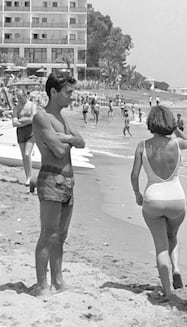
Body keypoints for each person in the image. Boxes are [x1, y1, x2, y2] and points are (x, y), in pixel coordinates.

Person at [32, 74, 85, 297]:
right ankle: (43, 285)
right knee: (48, 234)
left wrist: (68, 137)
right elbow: (59, 151)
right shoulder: (42, 117)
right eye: (68, 92)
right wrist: (67, 140)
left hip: (67, 182)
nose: (72, 97)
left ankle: (58, 280)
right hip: (52, 179)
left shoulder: (62, 118)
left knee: (61, 236)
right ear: (54, 92)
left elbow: (81, 141)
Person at [130, 105, 187, 299]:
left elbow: (134, 175)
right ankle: (177, 269)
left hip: (153, 198)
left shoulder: (142, 145)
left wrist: (137, 193)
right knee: (172, 237)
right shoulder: (176, 144)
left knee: (160, 246)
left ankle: (167, 290)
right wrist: (174, 128)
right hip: (176, 198)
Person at [12, 89, 37, 188]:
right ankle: (27, 177)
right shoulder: (16, 108)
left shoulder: (32, 105)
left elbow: (33, 119)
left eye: (20, 97)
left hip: (31, 132)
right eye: (18, 97)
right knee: (23, 156)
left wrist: (21, 120)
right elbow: (14, 123)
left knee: (27, 154)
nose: (19, 99)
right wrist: (25, 121)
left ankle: (29, 177)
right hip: (20, 132)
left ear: (25, 96)